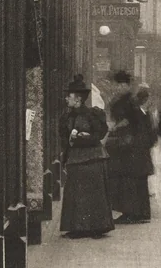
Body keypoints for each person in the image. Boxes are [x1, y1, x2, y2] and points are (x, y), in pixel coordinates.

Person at [59, 74, 114, 238]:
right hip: (76, 158)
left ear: (77, 99)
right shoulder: (67, 117)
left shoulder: (92, 114)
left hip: (93, 158)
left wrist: (85, 137)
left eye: (68, 96)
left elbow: (100, 133)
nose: (66, 99)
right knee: (76, 192)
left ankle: (96, 226)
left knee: (93, 192)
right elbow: (63, 137)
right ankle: (78, 227)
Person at [106, 70, 151, 223]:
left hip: (131, 145)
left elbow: (134, 121)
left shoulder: (129, 102)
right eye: (117, 85)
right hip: (129, 145)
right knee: (130, 180)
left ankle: (132, 213)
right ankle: (136, 213)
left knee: (129, 180)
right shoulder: (125, 100)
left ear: (127, 86)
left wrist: (118, 126)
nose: (119, 88)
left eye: (122, 85)